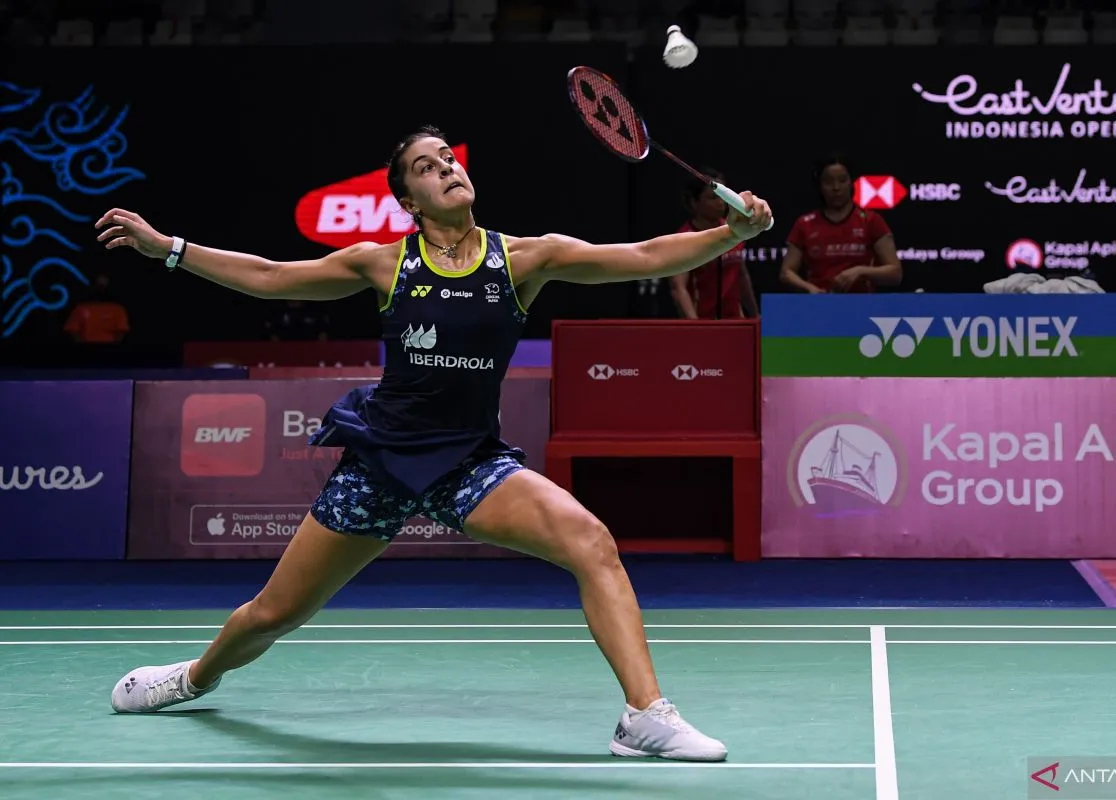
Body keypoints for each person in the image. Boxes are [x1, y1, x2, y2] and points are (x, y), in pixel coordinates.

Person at [95, 124, 772, 762]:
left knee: (591, 542)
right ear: (408, 200)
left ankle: (644, 715)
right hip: (382, 463)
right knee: (274, 614)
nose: (446, 168)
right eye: (427, 166)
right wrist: (171, 249)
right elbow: (272, 277)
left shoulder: (522, 259)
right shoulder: (384, 263)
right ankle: (192, 678)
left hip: (468, 463)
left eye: (448, 157)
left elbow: (643, 257)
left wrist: (728, 234)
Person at [779, 154, 901, 294]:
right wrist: (809, 288)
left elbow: (895, 272)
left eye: (842, 180)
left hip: (861, 302)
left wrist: (860, 271)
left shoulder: (871, 220)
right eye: (828, 182)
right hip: (820, 301)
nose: (836, 187)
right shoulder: (805, 224)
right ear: (820, 185)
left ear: (851, 182)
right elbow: (786, 272)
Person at [669, 167, 758, 320]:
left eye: (723, 197)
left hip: (735, 321)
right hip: (704, 323)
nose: (721, 202)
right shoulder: (684, 239)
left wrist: (755, 315)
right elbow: (679, 288)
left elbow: (741, 275)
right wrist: (696, 327)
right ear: (694, 202)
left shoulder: (734, 231)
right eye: (713, 197)